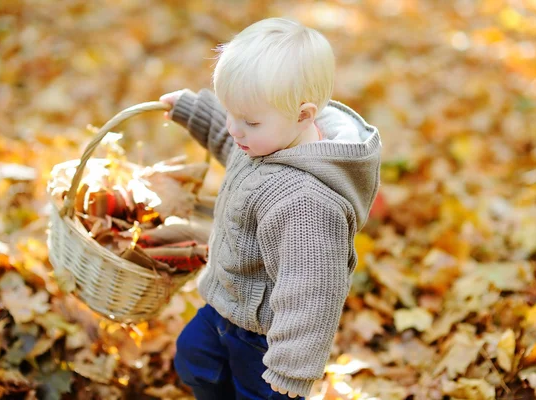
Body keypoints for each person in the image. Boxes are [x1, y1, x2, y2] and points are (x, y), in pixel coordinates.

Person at [159, 17, 381, 400]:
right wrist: (197, 113)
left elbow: (312, 289)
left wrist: (292, 366)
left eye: (249, 120)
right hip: (225, 305)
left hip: (265, 338)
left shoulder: (306, 202)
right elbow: (232, 148)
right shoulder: (265, 141)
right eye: (230, 112)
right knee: (194, 358)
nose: (234, 128)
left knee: (256, 393)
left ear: (303, 115)